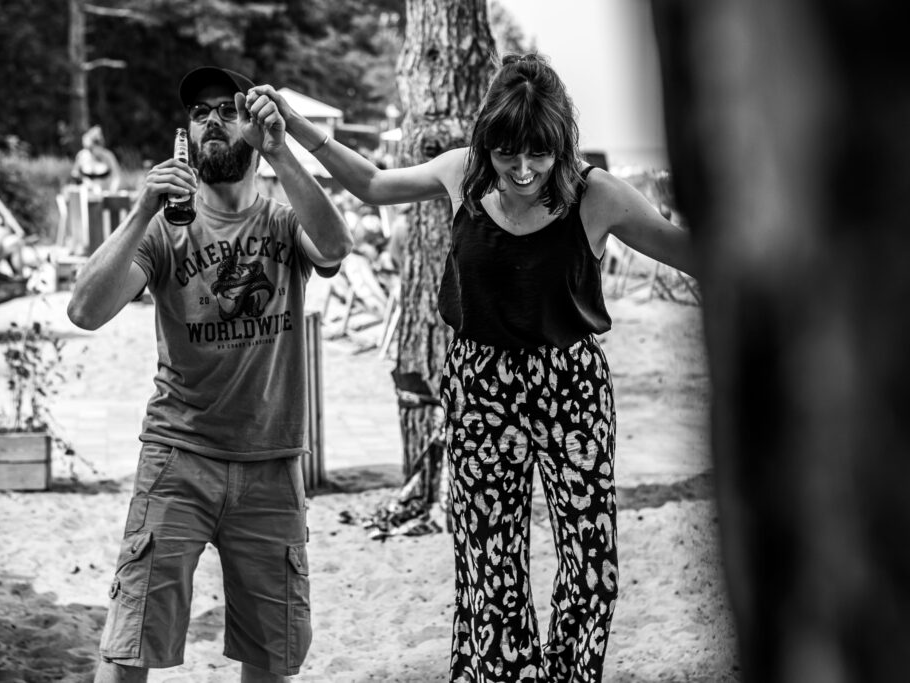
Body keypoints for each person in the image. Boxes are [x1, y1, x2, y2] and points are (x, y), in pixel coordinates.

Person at [251, 52, 694, 682]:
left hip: (571, 387)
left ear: (561, 144)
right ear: (488, 142)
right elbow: (375, 184)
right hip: (480, 384)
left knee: (592, 565)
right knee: (490, 562)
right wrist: (292, 129)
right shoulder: (464, 172)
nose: (522, 169)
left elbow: (694, 255)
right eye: (508, 152)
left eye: (538, 155)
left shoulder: (598, 196)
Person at [66, 66, 353, 682]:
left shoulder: (281, 220)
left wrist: (284, 152)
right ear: (187, 134)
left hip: (272, 464)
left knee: (270, 656)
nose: (214, 119)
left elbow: (335, 246)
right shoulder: (165, 231)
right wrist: (142, 206)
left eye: (229, 108)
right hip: (178, 459)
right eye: (201, 111)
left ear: (253, 126)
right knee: (129, 645)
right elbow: (85, 310)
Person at [71, 125, 122, 193]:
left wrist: (112, 191)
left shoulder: (108, 156)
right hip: (86, 193)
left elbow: (116, 176)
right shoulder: (82, 155)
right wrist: (83, 180)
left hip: (105, 193)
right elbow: (75, 173)